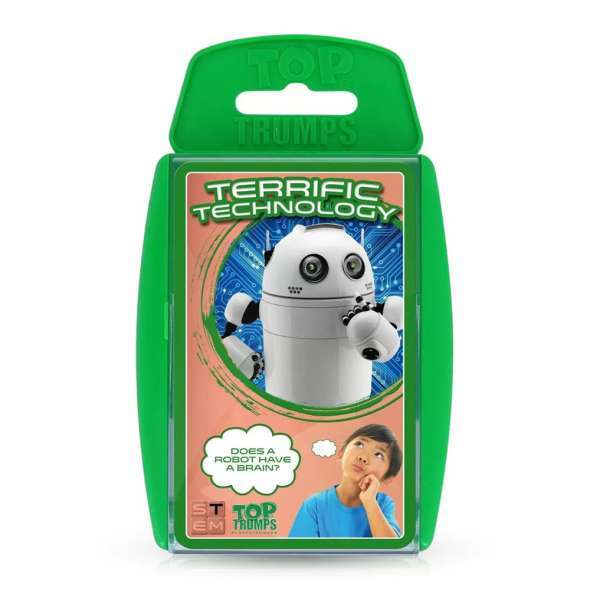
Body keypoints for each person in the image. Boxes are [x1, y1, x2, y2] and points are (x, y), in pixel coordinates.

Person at [289, 424, 403, 538]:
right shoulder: (315, 505)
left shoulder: (383, 504)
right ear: (342, 452)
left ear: (387, 477)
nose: (363, 457)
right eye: (359, 444)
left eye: (379, 455)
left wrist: (369, 502)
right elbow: (299, 548)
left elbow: (393, 546)